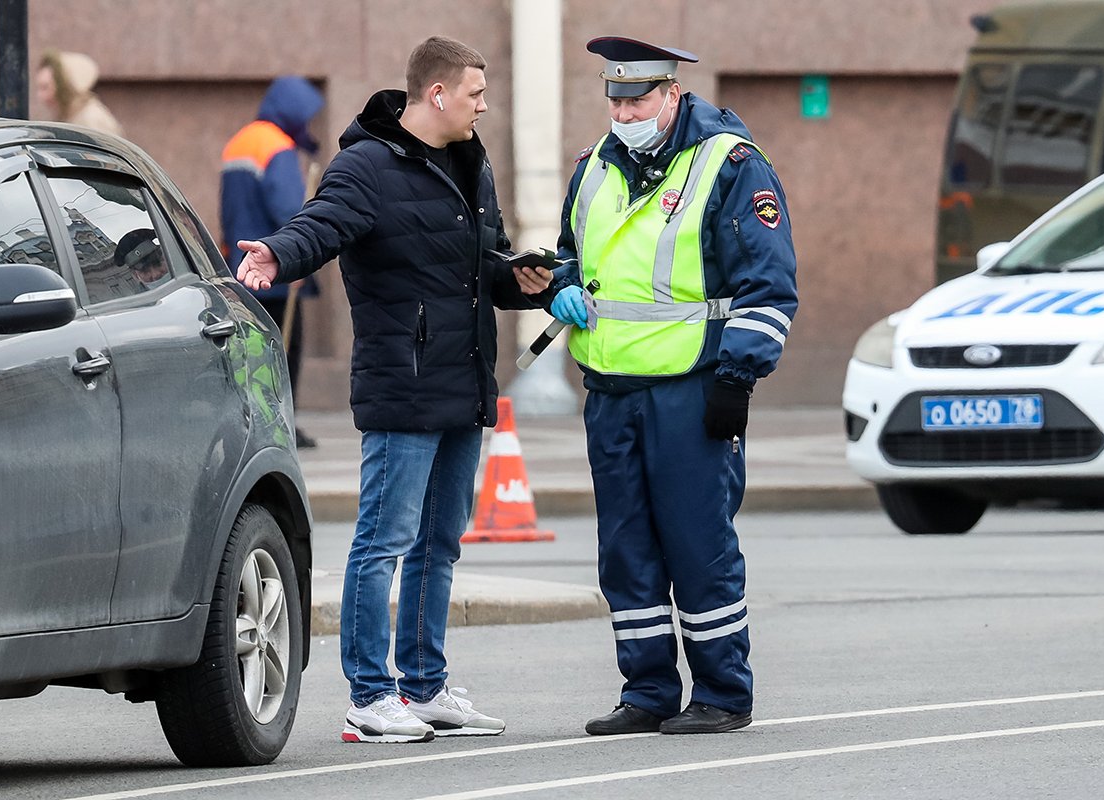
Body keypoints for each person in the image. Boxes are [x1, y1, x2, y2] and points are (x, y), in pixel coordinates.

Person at [234, 36, 556, 744]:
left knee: (439, 545)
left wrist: (528, 278)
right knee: (383, 541)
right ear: (435, 94)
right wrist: (277, 255)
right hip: (404, 389)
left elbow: (486, 262)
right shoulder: (367, 164)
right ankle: (369, 696)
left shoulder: (472, 162)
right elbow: (322, 224)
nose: (483, 104)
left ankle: (425, 686)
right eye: (474, 92)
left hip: (464, 383)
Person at [549, 36, 798, 736]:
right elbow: (570, 253)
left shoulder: (730, 164)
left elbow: (768, 285)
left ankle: (723, 691)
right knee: (626, 551)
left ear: (671, 95)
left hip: (692, 391)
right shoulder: (594, 167)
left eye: (638, 99)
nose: (624, 111)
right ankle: (648, 690)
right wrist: (562, 287)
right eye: (615, 99)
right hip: (611, 389)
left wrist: (736, 380)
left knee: (697, 545)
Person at [221, 76, 325, 449]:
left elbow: (229, 210)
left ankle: (255, 422)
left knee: (252, 350)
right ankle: (283, 424)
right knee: (284, 348)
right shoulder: (277, 147)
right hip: (276, 269)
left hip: (243, 264)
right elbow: (288, 209)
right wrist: (297, 257)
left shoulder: (240, 142)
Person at [34, 49, 124, 137]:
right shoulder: (69, 116)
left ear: (64, 88)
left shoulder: (92, 119)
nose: (41, 96)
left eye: (45, 88)